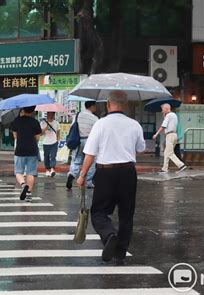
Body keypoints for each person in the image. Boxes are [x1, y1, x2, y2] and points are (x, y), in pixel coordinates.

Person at [76, 90, 145, 265]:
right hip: (128, 172)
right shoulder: (135, 124)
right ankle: (120, 254)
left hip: (105, 172)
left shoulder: (101, 124)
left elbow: (90, 153)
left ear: (108, 104)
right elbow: (141, 148)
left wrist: (82, 175)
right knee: (126, 214)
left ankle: (109, 235)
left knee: (99, 212)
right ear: (126, 105)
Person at [11, 106, 42, 202]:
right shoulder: (35, 122)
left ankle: (23, 185)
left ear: (23, 110)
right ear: (33, 111)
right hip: (32, 149)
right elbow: (37, 138)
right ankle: (28, 194)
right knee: (31, 172)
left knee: (18, 172)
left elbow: (15, 136)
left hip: (20, 149)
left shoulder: (17, 121)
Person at [66, 101, 99, 189]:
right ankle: (89, 182)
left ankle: (72, 174)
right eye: (95, 106)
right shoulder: (95, 118)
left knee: (76, 159)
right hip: (90, 141)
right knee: (91, 161)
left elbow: (72, 126)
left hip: (78, 141)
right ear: (92, 106)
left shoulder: (78, 115)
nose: (95, 108)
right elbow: (97, 132)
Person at [152, 103, 187, 173]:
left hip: (170, 135)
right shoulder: (174, 115)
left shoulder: (168, 115)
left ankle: (181, 165)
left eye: (162, 109)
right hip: (174, 135)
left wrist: (156, 134)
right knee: (166, 152)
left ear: (166, 109)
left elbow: (163, 126)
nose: (162, 111)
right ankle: (164, 168)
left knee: (170, 153)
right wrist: (164, 116)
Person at [40, 112, 60, 177]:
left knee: (53, 156)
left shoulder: (56, 123)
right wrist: (45, 128)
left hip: (54, 142)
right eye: (49, 114)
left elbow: (58, 132)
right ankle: (47, 170)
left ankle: (52, 169)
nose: (51, 115)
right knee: (46, 157)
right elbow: (40, 134)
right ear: (47, 114)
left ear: (54, 114)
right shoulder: (43, 123)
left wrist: (58, 140)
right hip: (46, 143)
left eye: (52, 114)